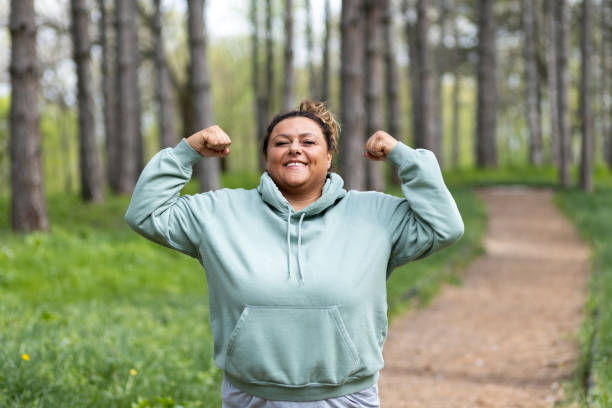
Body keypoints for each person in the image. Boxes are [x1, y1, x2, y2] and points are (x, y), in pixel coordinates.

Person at [125, 100, 464, 407]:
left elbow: (445, 226)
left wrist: (403, 156)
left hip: (345, 397)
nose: (294, 150)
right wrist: (188, 151)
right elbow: (145, 213)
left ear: (329, 156)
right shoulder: (219, 211)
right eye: (281, 143)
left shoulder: (376, 213)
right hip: (252, 397)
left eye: (308, 142)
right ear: (268, 156)